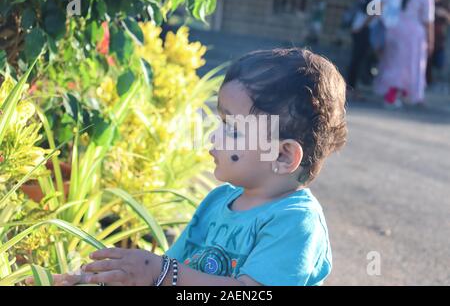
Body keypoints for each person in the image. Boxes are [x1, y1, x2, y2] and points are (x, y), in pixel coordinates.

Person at [30, 48, 347, 286]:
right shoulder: (218, 202)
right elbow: (171, 272)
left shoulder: (295, 222)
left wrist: (162, 273)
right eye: (220, 122)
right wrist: (93, 279)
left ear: (282, 156)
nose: (214, 136)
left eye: (233, 128)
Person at [374, 0, 436, 107]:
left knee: (393, 64)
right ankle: (394, 96)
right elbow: (428, 21)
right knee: (411, 66)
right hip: (413, 35)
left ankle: (396, 94)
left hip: (394, 30)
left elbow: (389, 11)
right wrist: (431, 41)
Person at [346, 0, 391, 101]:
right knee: (357, 60)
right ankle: (351, 89)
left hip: (360, 27)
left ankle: (352, 88)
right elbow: (373, 14)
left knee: (357, 59)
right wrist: (363, 26)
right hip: (364, 29)